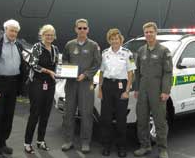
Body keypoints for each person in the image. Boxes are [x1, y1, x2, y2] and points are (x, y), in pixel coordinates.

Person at [0, 19, 28, 158]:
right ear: (5, 30)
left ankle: (2, 144)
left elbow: (22, 67)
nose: (14, 33)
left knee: (7, 117)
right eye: (11, 30)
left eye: (16, 31)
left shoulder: (18, 46)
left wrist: (21, 87)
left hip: (12, 84)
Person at [61, 19, 102, 153]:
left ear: (88, 30)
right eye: (80, 28)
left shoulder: (93, 46)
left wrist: (86, 75)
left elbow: (97, 64)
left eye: (84, 28)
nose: (82, 30)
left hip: (86, 84)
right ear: (75, 29)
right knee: (68, 113)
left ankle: (85, 142)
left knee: (86, 114)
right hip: (71, 84)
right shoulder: (69, 45)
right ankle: (68, 141)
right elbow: (65, 59)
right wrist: (68, 70)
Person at [133, 22, 173, 158]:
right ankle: (145, 146)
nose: (149, 34)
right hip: (143, 89)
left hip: (157, 90)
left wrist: (166, 90)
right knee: (142, 120)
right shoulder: (140, 51)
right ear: (144, 34)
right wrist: (136, 89)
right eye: (146, 32)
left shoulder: (164, 51)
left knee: (160, 121)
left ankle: (162, 149)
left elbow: (168, 72)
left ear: (156, 33)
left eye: (151, 32)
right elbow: (137, 72)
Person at [98, 29, 136, 157]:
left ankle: (121, 147)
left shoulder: (127, 53)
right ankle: (106, 146)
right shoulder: (104, 53)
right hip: (107, 86)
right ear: (109, 40)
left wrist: (127, 91)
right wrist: (100, 89)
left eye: (117, 38)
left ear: (121, 40)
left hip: (121, 87)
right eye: (112, 39)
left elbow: (131, 73)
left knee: (121, 119)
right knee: (106, 118)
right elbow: (102, 72)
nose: (114, 41)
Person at [24, 24, 60, 154]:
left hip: (50, 84)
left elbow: (56, 65)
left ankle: (40, 141)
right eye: (47, 35)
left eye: (51, 35)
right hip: (37, 83)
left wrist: (60, 73)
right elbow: (32, 64)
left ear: (54, 36)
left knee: (46, 114)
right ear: (42, 35)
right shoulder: (37, 47)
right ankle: (27, 143)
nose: (49, 37)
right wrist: (48, 71)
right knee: (35, 114)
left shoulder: (55, 49)